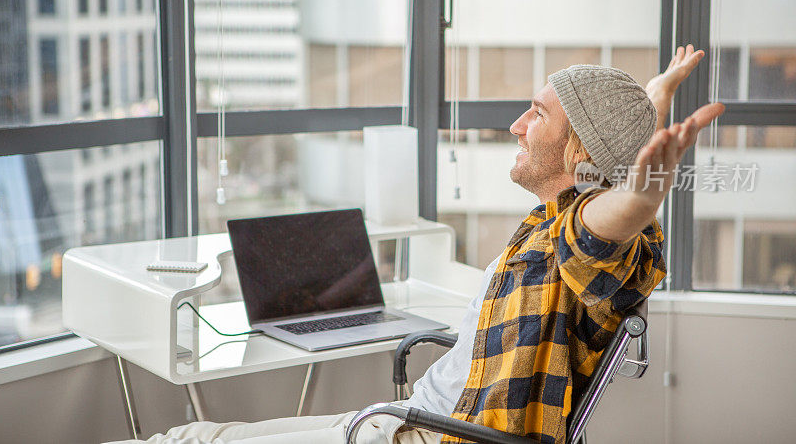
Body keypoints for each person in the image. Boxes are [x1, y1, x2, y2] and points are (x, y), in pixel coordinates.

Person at [116, 45, 723, 444]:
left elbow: (609, 226)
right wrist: (653, 99)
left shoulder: (587, 235)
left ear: (580, 153)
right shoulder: (556, 214)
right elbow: (611, 154)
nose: (515, 125)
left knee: (184, 441)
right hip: (408, 421)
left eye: (536, 114)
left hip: (422, 434)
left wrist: (645, 195)